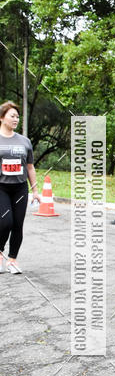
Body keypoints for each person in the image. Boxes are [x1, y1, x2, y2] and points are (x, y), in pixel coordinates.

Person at [0, 101, 40, 274]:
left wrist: (35, 190)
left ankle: (12, 260)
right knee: (5, 222)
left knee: (17, 223)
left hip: (20, 188)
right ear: (2, 118)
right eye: (12, 116)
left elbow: (30, 167)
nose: (16, 119)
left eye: (17, 116)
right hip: (1, 187)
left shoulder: (25, 141)